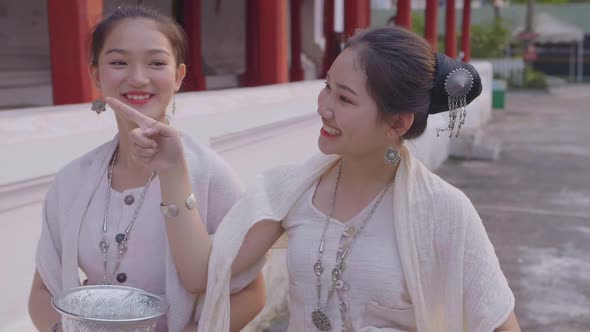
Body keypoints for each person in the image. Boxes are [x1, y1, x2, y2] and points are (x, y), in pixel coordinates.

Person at [112, 27, 521, 332]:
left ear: (397, 121)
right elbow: (203, 273)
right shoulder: (291, 190)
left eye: (345, 99)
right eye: (327, 87)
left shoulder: (441, 210)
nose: (324, 107)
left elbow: (499, 323)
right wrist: (172, 171)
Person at [27, 5, 265, 332]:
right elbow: (42, 290)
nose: (138, 78)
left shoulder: (210, 175)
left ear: (179, 76)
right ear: (96, 74)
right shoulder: (73, 180)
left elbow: (251, 292)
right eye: (118, 62)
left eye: (156, 63)